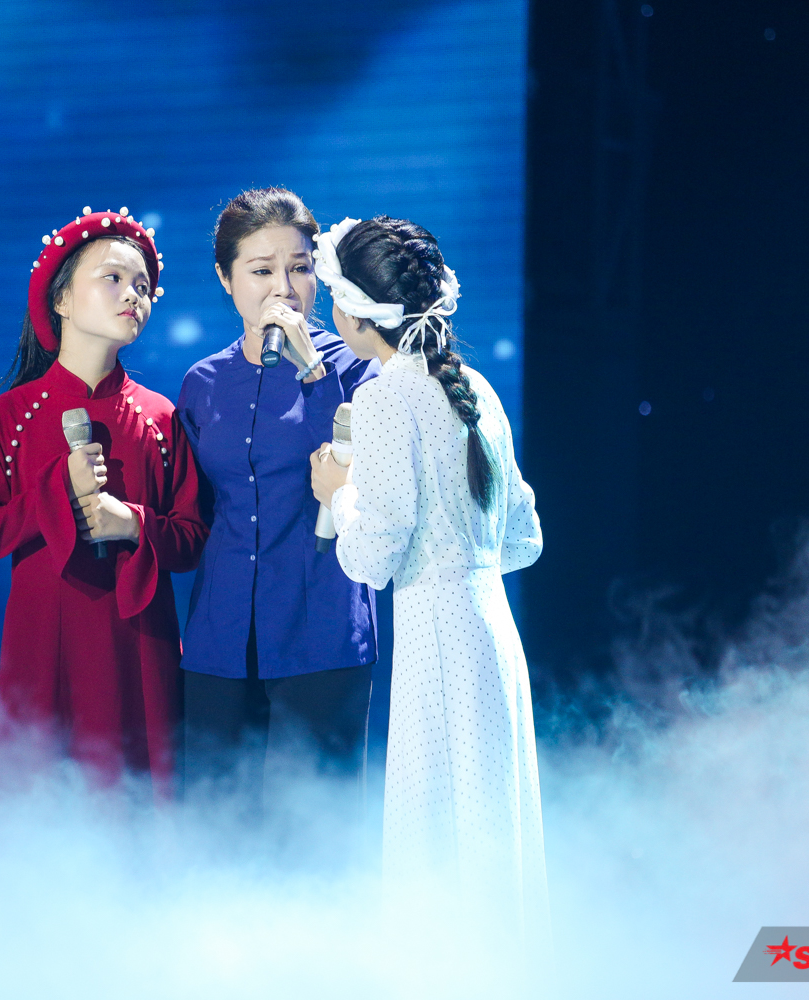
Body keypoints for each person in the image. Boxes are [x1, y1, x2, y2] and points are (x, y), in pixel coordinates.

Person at [309, 216, 549, 945]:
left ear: (356, 312)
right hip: (493, 629)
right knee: (490, 824)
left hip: (437, 637)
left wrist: (339, 494)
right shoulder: (473, 387)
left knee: (438, 834)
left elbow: (369, 557)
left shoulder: (386, 397)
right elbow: (524, 539)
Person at [0, 206, 207, 801]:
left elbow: (193, 539)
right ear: (61, 299)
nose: (133, 295)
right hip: (44, 643)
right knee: (44, 806)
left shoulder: (162, 417)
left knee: (139, 801)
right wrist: (56, 490)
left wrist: (134, 524)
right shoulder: (10, 417)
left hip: (137, 644)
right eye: (113, 278)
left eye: (142, 285)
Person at [176, 188, 379, 817]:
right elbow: (197, 512)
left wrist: (312, 370)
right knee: (215, 825)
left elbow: (356, 478)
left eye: (299, 268)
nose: (284, 289)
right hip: (220, 638)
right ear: (226, 279)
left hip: (321, 631)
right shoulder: (202, 383)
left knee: (313, 836)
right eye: (262, 271)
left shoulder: (357, 368)